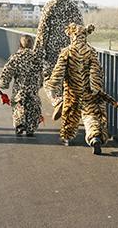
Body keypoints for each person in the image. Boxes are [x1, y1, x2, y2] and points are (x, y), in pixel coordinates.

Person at [46, 23, 109, 155]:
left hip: (72, 91)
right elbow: (95, 70)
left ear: (71, 36)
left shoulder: (67, 52)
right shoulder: (91, 52)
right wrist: (95, 87)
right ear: (84, 36)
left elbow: (59, 71)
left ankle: (68, 137)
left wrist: (52, 87)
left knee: (70, 114)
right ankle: (94, 137)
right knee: (91, 115)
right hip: (89, 92)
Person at [34, 0, 83, 118]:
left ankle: (57, 101)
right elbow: (81, 30)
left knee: (50, 79)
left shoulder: (50, 6)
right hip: (72, 51)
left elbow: (42, 32)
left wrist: (37, 52)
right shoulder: (74, 7)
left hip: (53, 52)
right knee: (68, 81)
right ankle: (70, 112)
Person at [0, 35, 43, 136]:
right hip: (33, 90)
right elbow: (44, 72)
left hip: (20, 90)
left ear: (20, 44)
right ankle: (31, 128)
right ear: (32, 45)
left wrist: (3, 83)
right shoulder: (38, 57)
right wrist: (41, 83)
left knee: (18, 105)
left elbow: (7, 71)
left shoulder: (16, 57)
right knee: (33, 108)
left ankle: (19, 124)